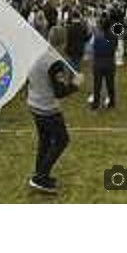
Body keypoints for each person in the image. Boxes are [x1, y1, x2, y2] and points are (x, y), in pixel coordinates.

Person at [27, 26, 80, 193]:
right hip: (46, 108)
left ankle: (40, 174)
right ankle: (40, 177)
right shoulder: (54, 62)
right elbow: (59, 92)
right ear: (63, 42)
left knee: (45, 140)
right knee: (62, 140)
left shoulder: (38, 53)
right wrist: (74, 85)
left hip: (34, 103)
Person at [91, 16, 117, 109]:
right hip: (109, 61)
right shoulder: (113, 37)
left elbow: (93, 48)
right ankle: (112, 102)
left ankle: (96, 103)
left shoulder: (97, 37)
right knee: (110, 84)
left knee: (97, 84)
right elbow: (114, 48)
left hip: (98, 62)